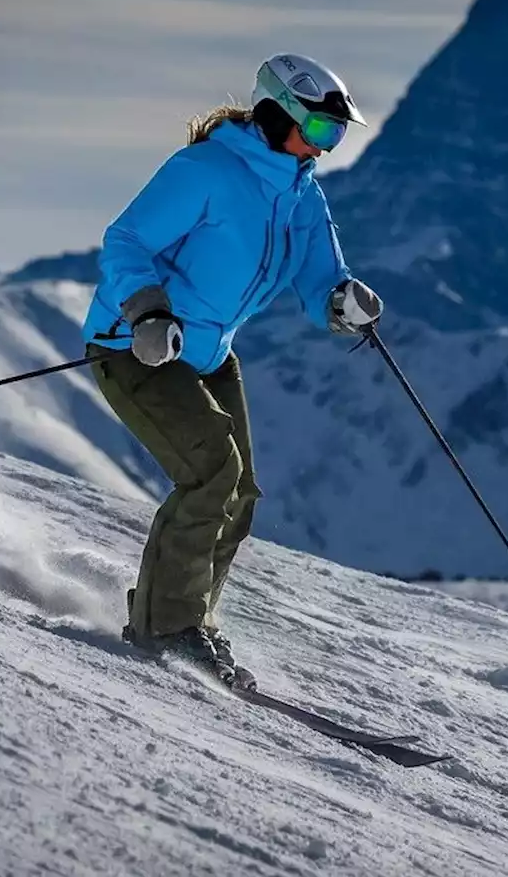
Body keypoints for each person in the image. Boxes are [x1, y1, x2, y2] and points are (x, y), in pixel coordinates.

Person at [82, 53, 384, 687]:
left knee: (240, 494)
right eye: (320, 131)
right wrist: (146, 313)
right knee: (212, 474)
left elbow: (320, 273)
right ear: (278, 114)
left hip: (209, 354)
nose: (325, 148)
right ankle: (166, 628)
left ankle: (187, 618)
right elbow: (126, 240)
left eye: (337, 135)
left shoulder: (301, 190)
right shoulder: (206, 172)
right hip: (136, 345)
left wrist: (341, 302)